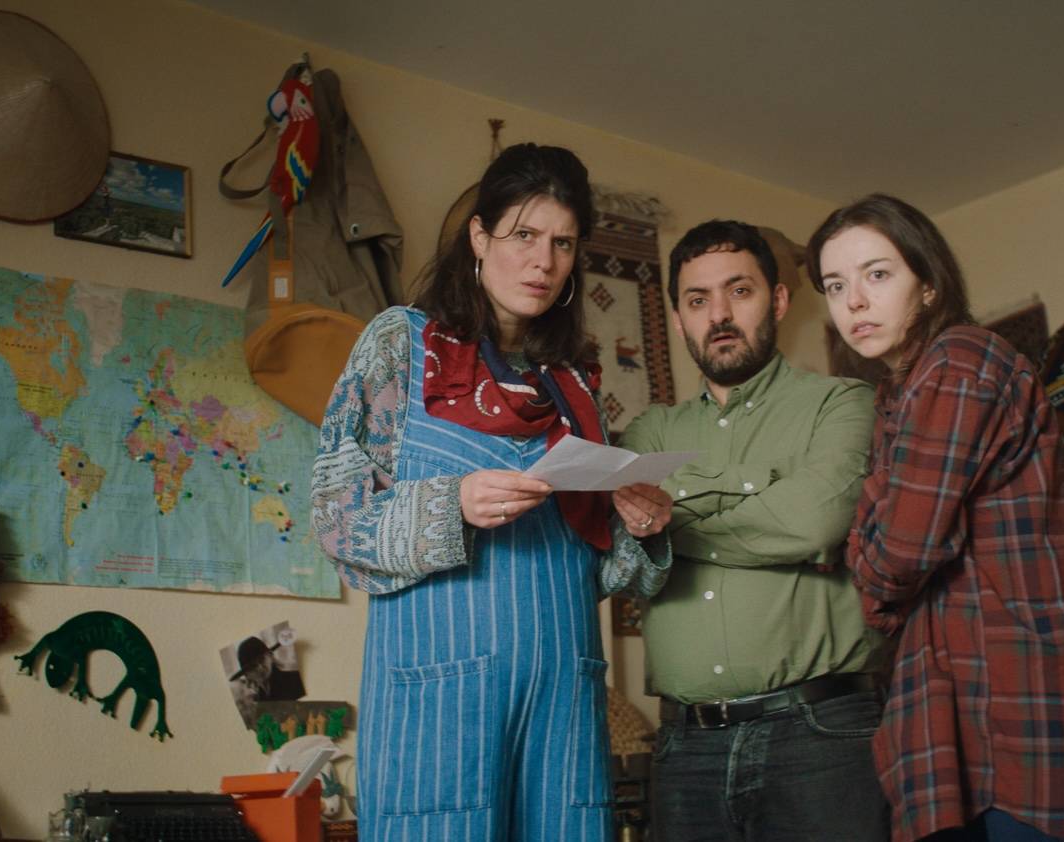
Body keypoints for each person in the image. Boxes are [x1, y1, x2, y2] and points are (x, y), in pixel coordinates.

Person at [311, 142, 671, 842]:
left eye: (562, 243)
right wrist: (451, 506)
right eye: (524, 235)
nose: (543, 262)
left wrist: (641, 527)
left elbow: (592, 571)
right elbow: (335, 519)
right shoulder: (400, 344)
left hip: (563, 704)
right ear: (479, 236)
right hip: (438, 704)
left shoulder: (573, 387)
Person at [811, 194, 1064, 841]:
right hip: (963, 704)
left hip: (1031, 702)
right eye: (835, 285)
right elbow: (889, 545)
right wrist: (876, 554)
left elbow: (897, 553)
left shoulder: (958, 361)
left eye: (876, 274)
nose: (853, 301)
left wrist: (872, 569)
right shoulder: (900, 393)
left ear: (929, 283)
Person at [620, 219, 892, 841]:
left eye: (739, 291)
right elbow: (620, 546)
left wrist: (670, 523)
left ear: (779, 300)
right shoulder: (650, 431)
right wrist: (758, 506)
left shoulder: (842, 403)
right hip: (685, 749)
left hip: (820, 737)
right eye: (697, 300)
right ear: (678, 319)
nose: (718, 314)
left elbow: (815, 521)